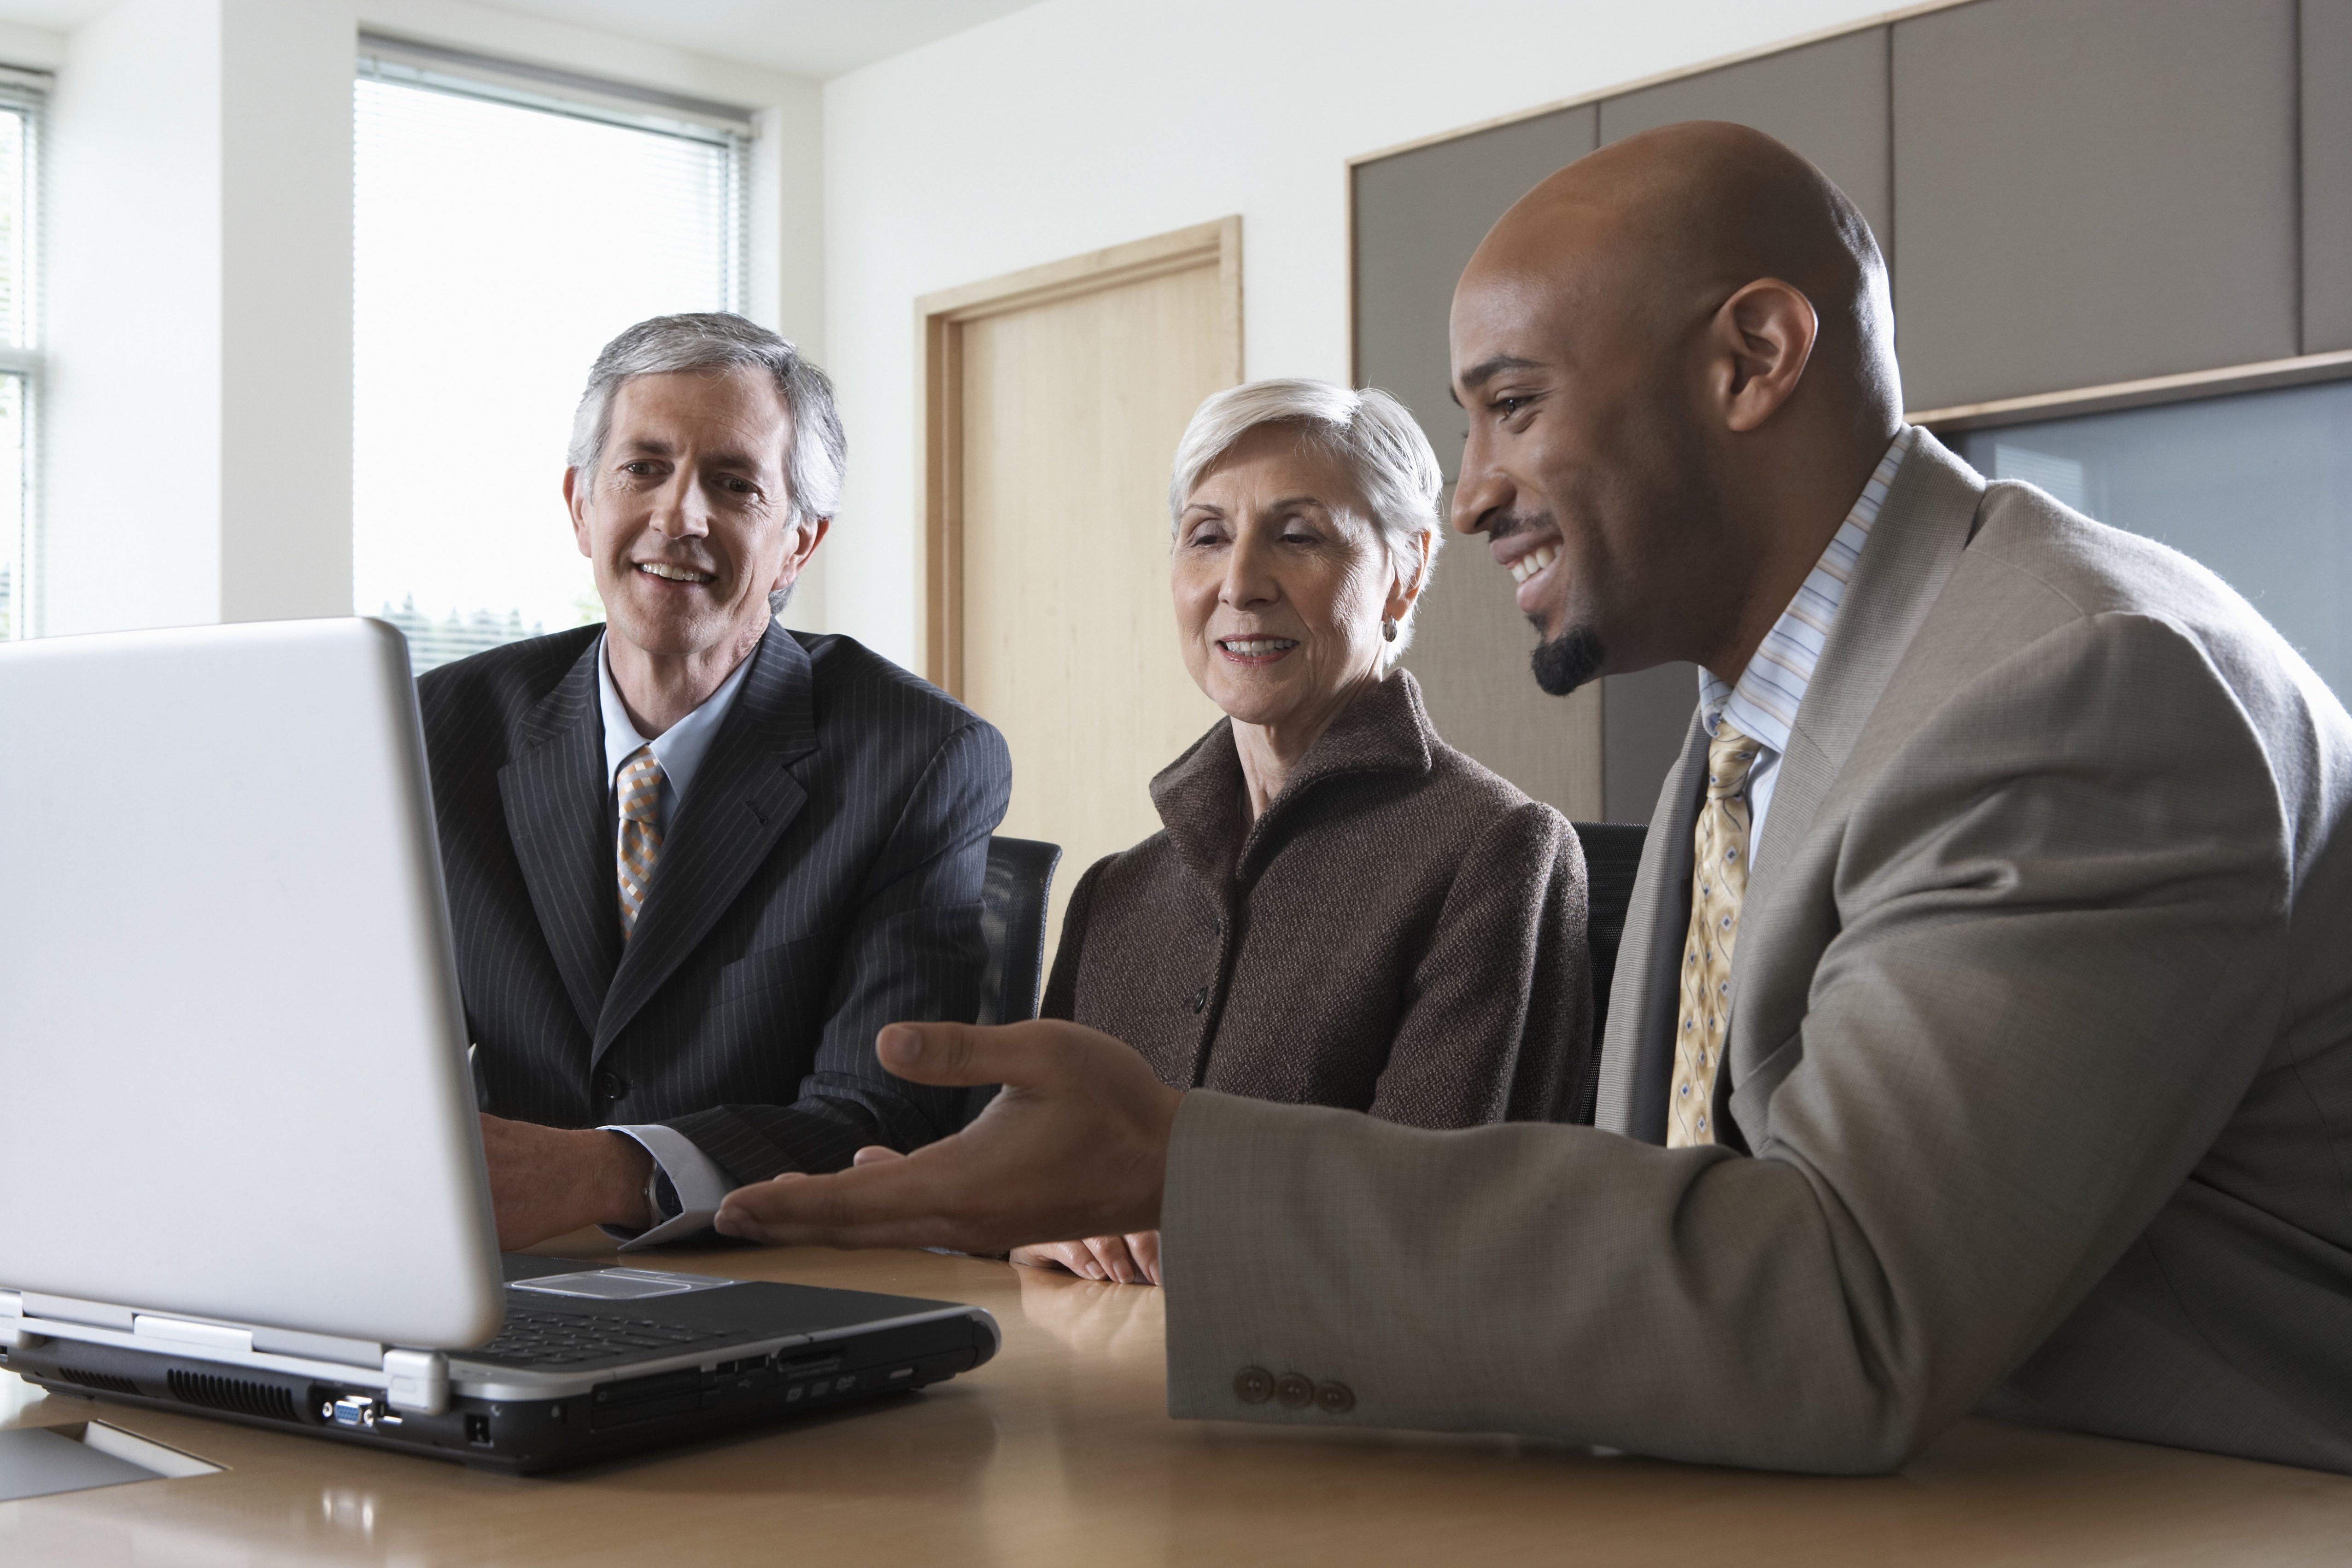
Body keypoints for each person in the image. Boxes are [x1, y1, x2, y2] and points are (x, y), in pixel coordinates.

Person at [713, 123, 2352, 1475]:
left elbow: (1842, 1306)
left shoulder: (2072, 683)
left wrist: (1178, 1174)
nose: (1479, 486)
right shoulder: (1754, 724)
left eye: (1509, 404)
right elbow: (1672, 1219)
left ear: (1753, 358)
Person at [418, 312, 1011, 1251]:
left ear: (797, 545)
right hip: (497, 1281)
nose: (679, 517)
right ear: (580, 505)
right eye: (643, 469)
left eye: (734, 484)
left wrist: (607, 1171)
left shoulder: (917, 758)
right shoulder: (438, 730)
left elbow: (886, 1120)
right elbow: (358, 1057)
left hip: (775, 1287)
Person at [1012, 380, 1593, 1286]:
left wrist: (1183, 1229)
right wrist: (1034, 1230)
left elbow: (1434, 1228)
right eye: (1208, 536)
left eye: (1297, 535)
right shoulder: (1115, 893)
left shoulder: (1500, 853)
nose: (1240, 583)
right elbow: (1021, 1190)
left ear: (1406, 566)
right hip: (1086, 1390)